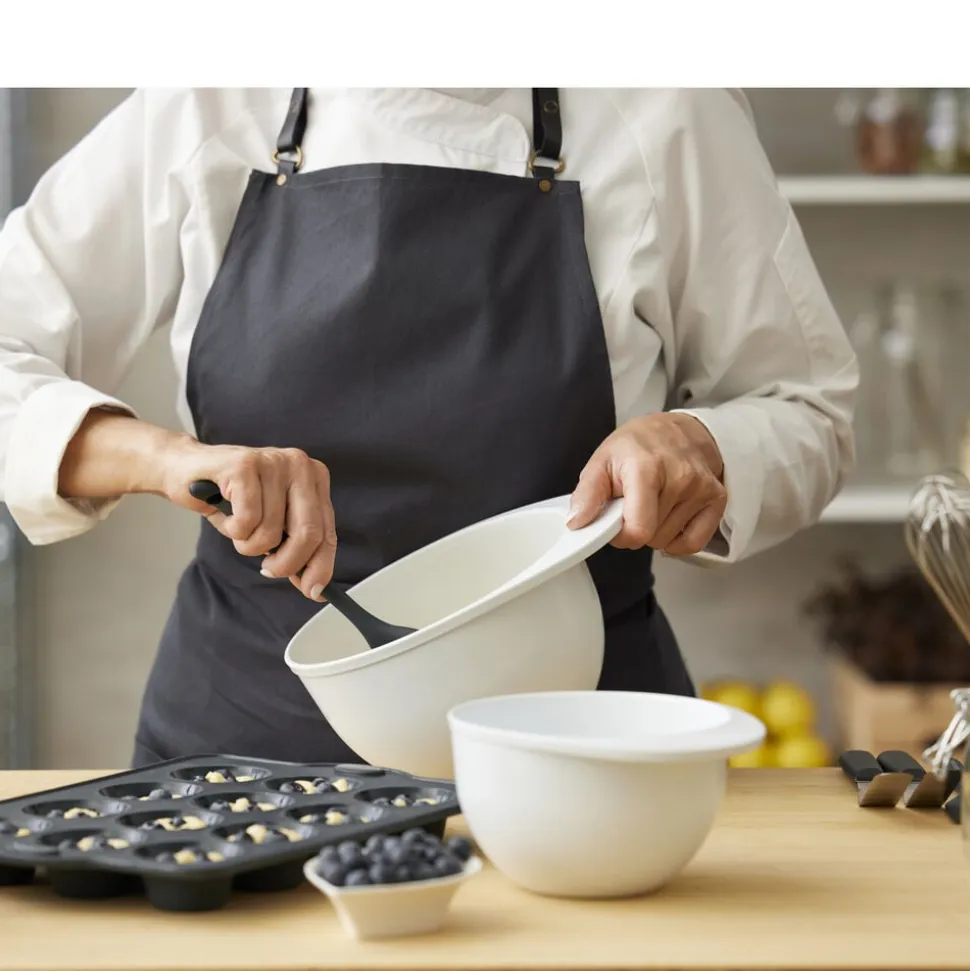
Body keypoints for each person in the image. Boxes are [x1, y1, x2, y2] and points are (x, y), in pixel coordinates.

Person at [0, 88, 857, 768]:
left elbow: (806, 407)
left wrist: (700, 445)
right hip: (248, 755)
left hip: (581, 759)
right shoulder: (209, 98)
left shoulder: (666, 106)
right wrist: (165, 458)